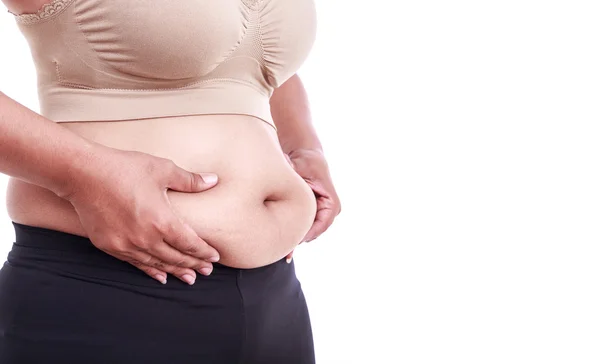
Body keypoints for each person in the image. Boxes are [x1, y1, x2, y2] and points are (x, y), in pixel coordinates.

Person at [0, 0, 341, 362]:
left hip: (277, 301)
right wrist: (82, 173)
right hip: (106, 288)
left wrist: (304, 146)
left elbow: (252, 64)